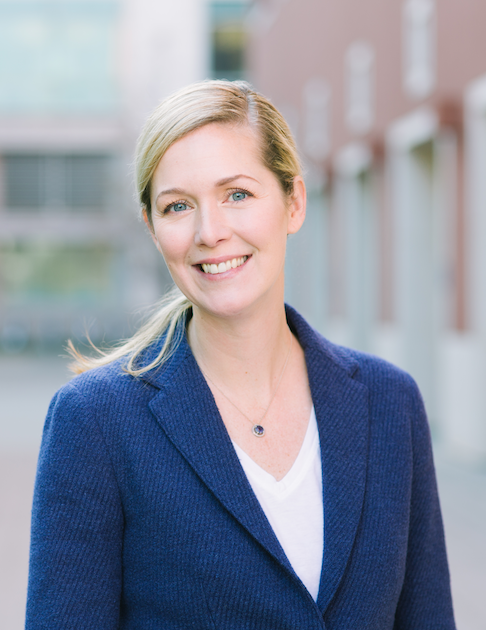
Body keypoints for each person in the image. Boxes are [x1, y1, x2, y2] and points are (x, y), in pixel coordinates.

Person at [25, 80, 456, 629]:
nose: (211, 232)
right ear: (154, 230)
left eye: (237, 194)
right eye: (178, 206)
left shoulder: (391, 402)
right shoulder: (94, 421)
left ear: (293, 202)